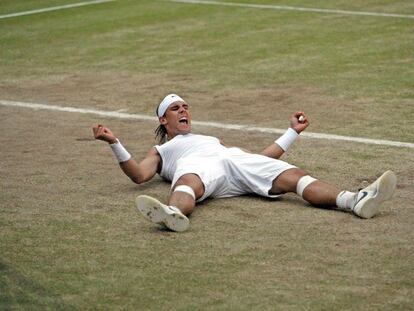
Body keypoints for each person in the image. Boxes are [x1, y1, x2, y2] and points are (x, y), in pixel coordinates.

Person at [93, 94, 397, 232]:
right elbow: (138, 175)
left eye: (185, 106)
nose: (183, 110)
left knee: (294, 176)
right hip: (199, 170)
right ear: (164, 119)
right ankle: (173, 214)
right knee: (188, 183)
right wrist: (114, 142)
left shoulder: (211, 139)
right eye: (175, 108)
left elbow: (257, 160)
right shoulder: (163, 149)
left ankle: (354, 200)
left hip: (234, 162)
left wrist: (291, 133)